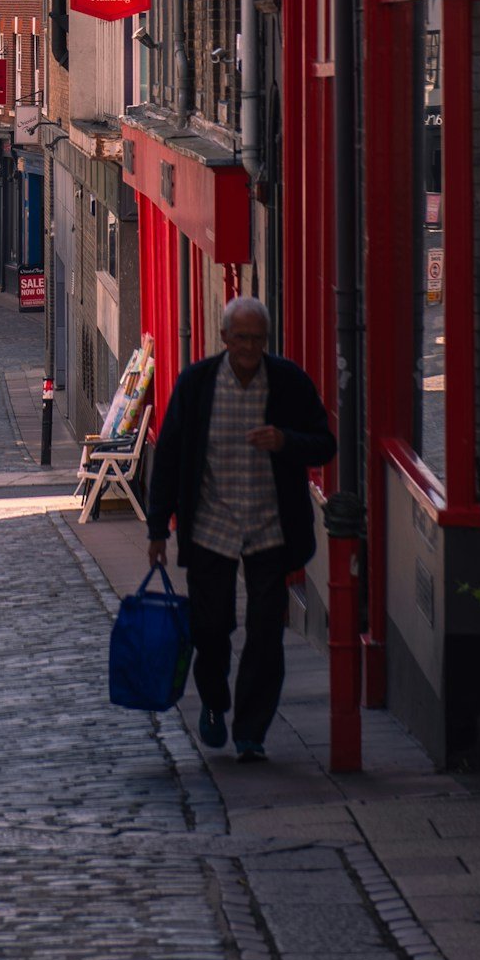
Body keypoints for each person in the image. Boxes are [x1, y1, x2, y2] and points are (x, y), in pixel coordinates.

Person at [145, 294, 335, 761]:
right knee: (211, 629)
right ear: (225, 338)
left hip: (270, 528)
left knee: (266, 632)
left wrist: (285, 441)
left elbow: (324, 443)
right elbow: (168, 457)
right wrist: (156, 530)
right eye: (242, 338)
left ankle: (251, 731)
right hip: (211, 525)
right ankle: (214, 702)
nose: (250, 347)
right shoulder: (197, 385)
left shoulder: (287, 383)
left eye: (258, 339)